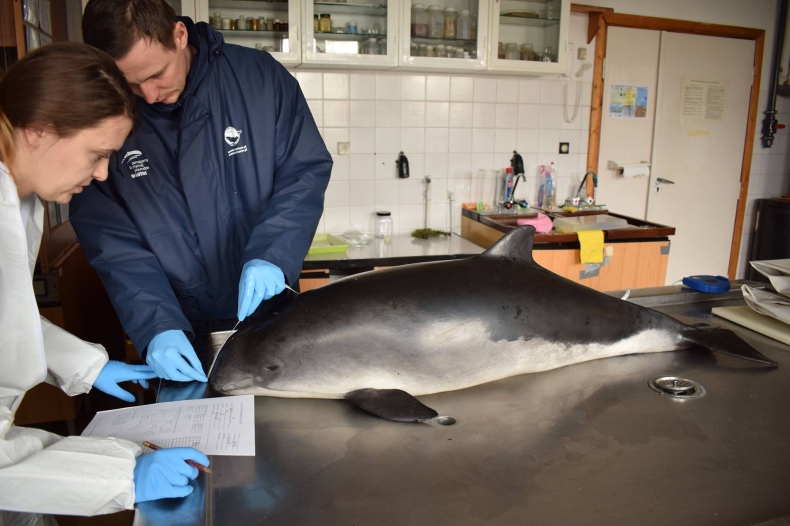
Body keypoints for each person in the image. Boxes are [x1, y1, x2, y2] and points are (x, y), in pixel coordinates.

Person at [0, 43, 209, 525]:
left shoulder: (22, 200)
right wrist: (122, 476)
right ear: (39, 130)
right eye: (97, 154)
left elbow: (10, 323)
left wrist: (90, 366)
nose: (100, 174)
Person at [74, 0, 332, 383]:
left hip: (268, 315)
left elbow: (303, 173)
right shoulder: (99, 113)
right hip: (179, 326)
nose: (146, 95)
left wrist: (273, 255)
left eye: (157, 74)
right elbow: (112, 241)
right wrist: (156, 323)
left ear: (179, 35)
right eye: (130, 83)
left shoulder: (260, 79)